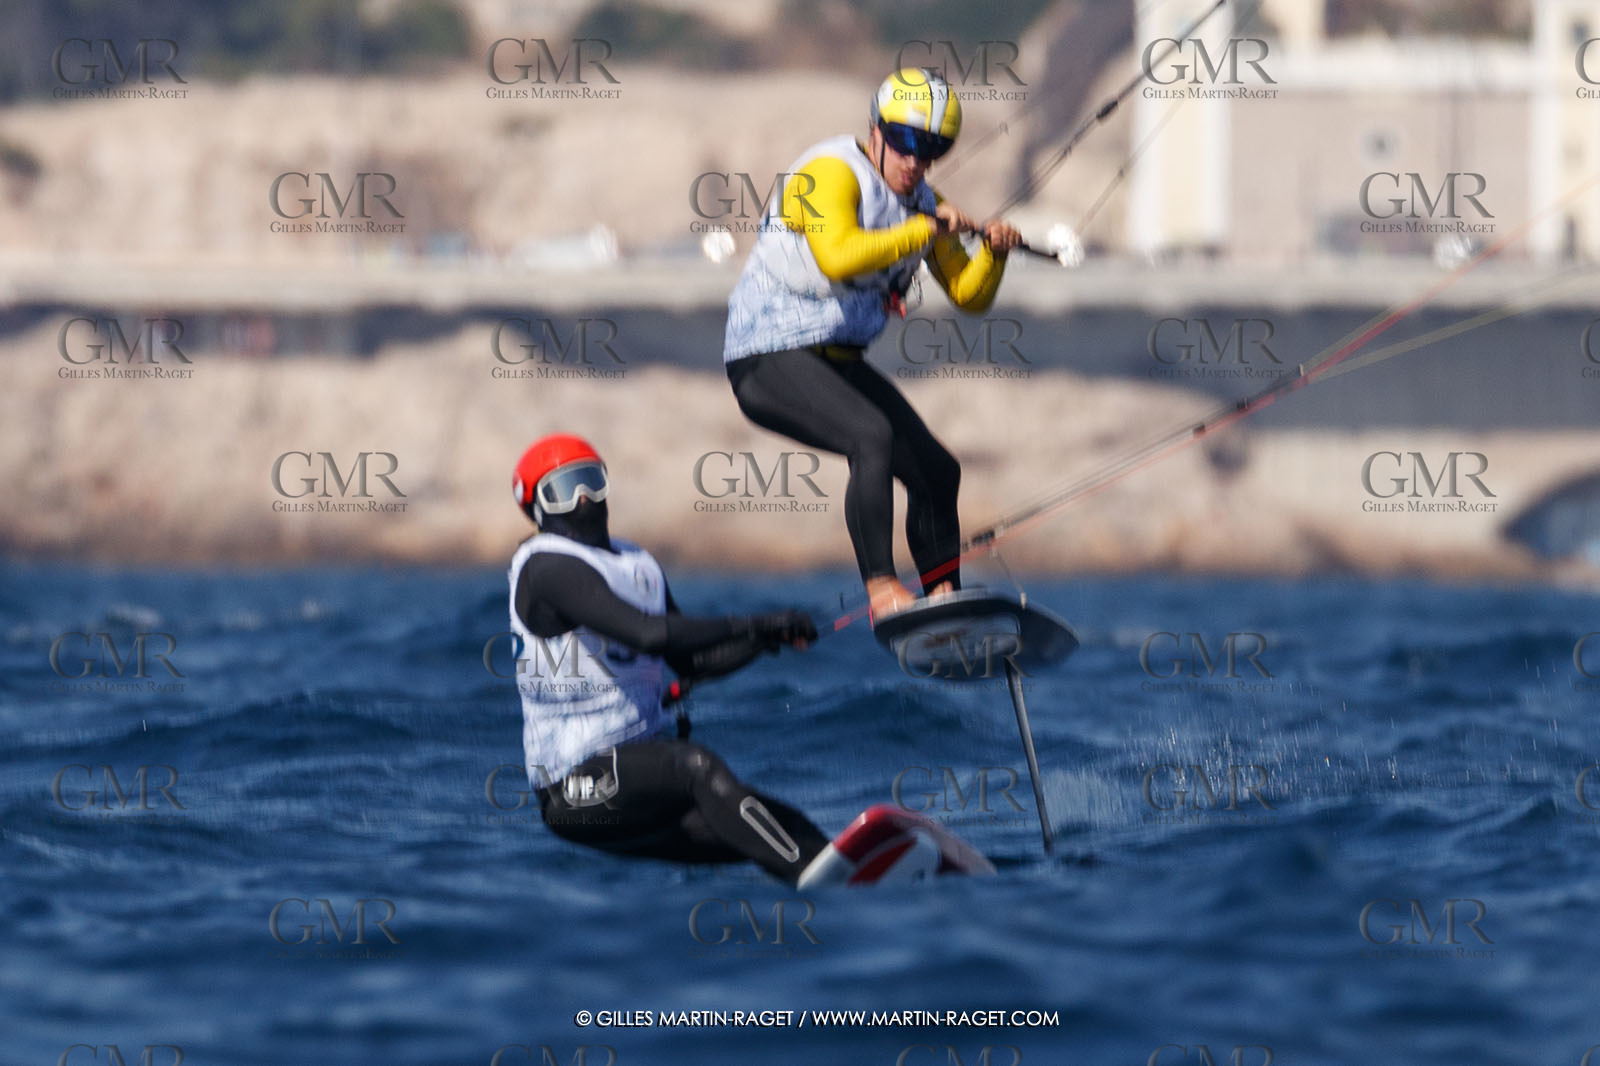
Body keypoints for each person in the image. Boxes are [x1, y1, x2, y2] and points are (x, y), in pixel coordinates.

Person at [723, 66, 1023, 623]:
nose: (916, 160)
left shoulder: (924, 202)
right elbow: (838, 253)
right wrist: (927, 228)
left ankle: (941, 599)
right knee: (871, 436)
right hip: (765, 358)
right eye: (906, 142)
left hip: (834, 363)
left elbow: (968, 294)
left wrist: (994, 252)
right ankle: (883, 590)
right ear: (876, 130)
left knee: (938, 471)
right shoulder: (831, 172)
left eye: (932, 148)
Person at [508, 432, 829, 884]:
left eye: (589, 481)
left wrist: (763, 641)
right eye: (562, 490)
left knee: (777, 822)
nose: (582, 499)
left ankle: (848, 878)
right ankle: (823, 878)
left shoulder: (636, 565)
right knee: (697, 767)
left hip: (640, 778)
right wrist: (754, 622)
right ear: (537, 509)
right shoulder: (546, 568)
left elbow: (692, 662)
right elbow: (650, 635)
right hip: (573, 789)